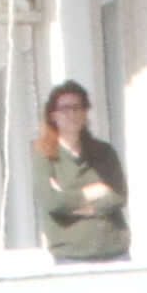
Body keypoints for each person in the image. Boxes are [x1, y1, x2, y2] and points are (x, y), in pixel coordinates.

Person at [38, 85, 128, 264]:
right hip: (71, 255)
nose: (71, 114)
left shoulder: (104, 151)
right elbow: (52, 201)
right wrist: (92, 192)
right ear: (53, 115)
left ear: (85, 112)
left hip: (113, 251)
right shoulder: (45, 156)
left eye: (77, 107)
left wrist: (77, 206)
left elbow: (119, 196)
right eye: (64, 109)